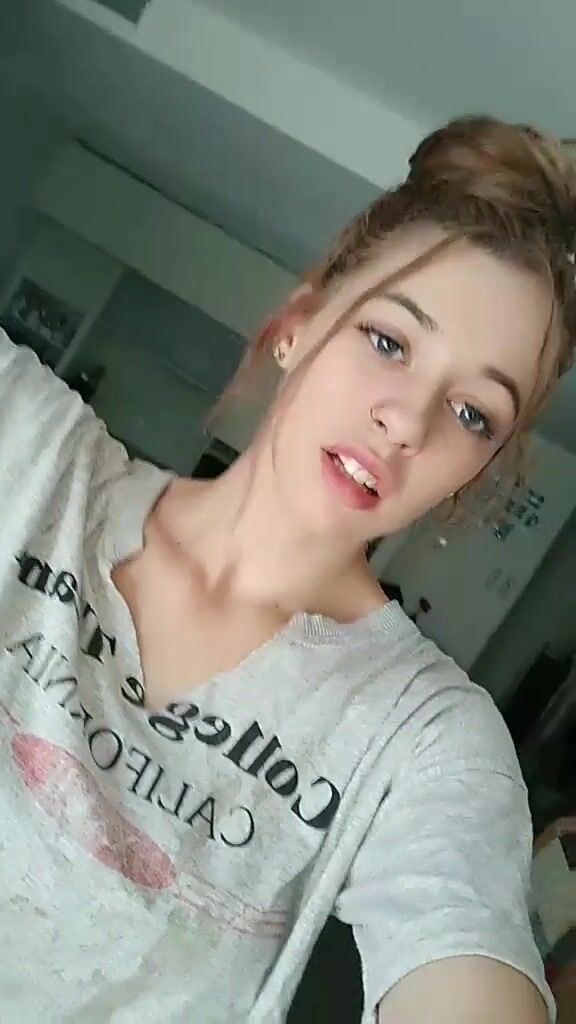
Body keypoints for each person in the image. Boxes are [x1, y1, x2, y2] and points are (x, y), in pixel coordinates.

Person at [0, 115, 571, 1024]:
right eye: (389, 341)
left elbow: (462, 950)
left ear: (478, 472)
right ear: (300, 326)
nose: (406, 422)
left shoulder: (423, 737)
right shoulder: (29, 451)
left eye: (472, 414)